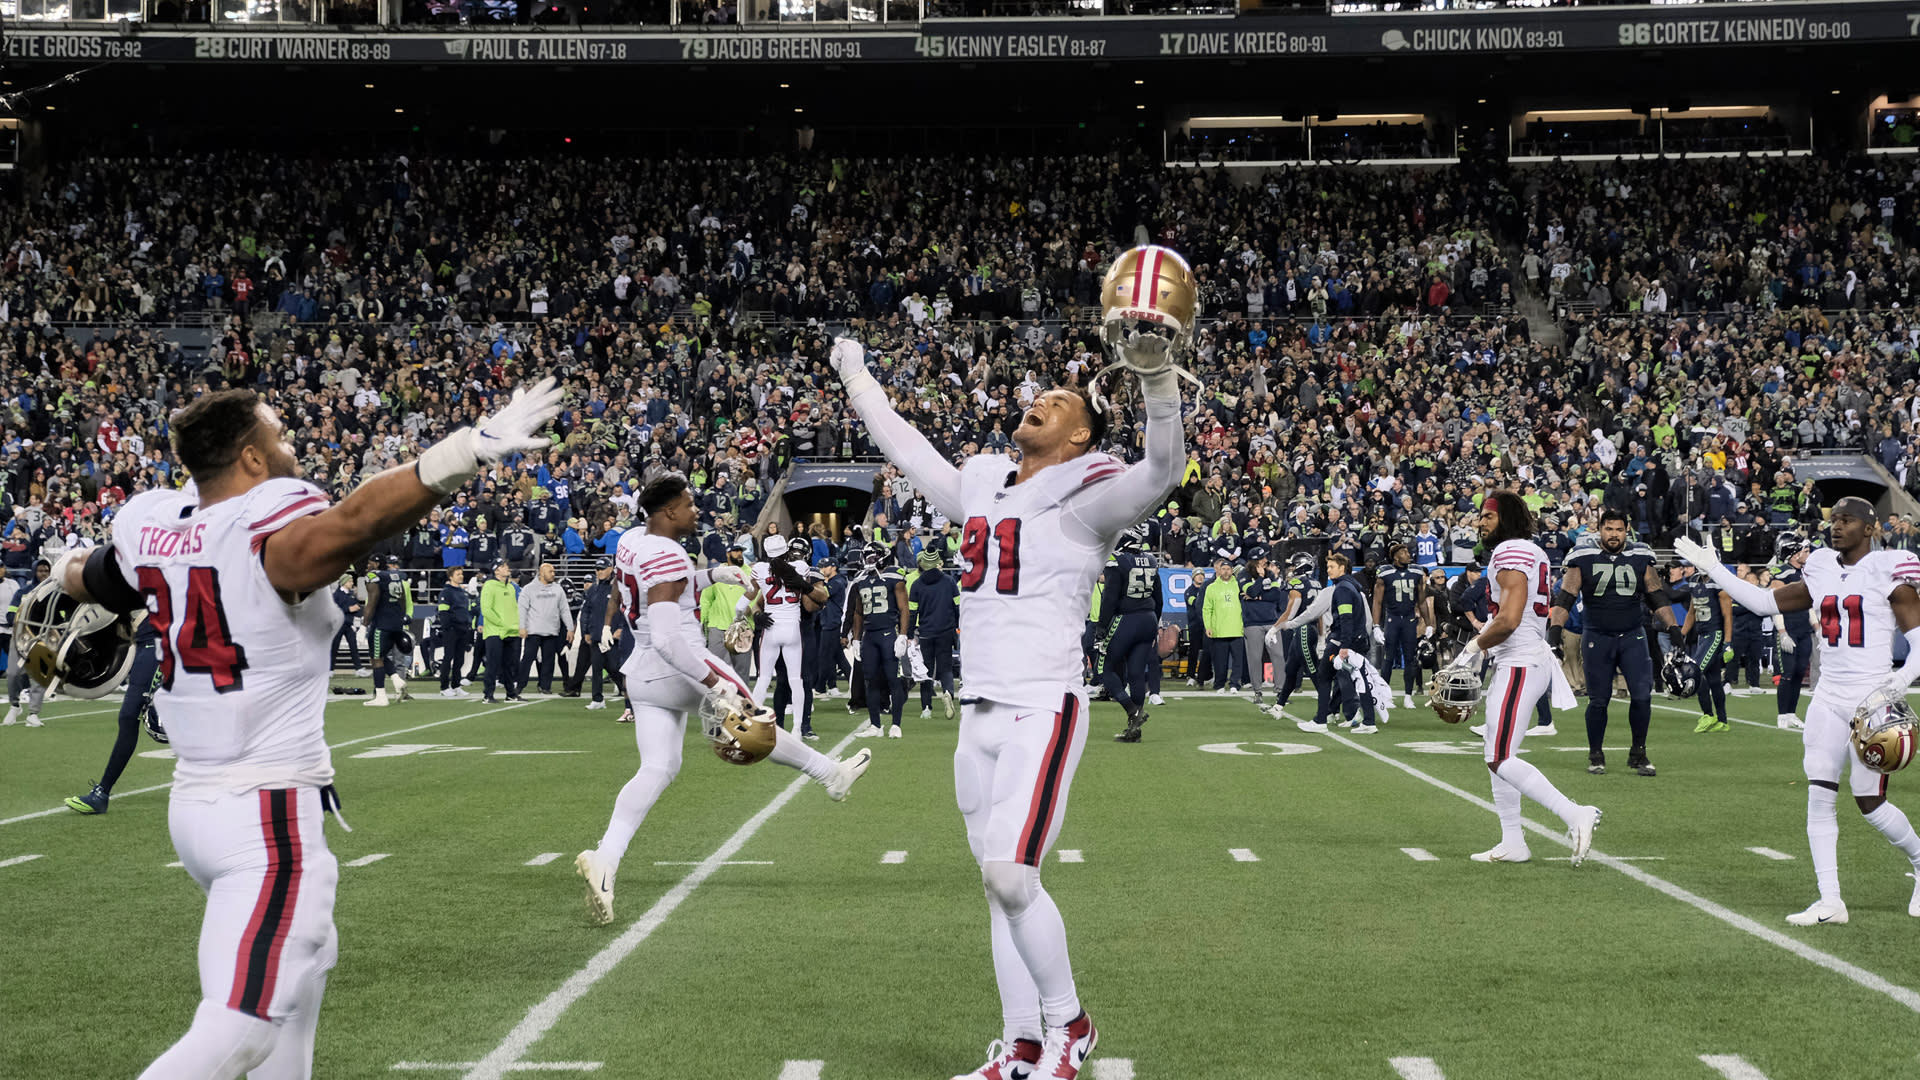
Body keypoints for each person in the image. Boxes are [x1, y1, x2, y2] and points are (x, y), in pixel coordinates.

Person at [44, 378, 560, 1079]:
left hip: (196, 806)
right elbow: (350, 527)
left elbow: (95, 574)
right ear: (251, 459)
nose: (292, 447)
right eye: (279, 436)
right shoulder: (269, 527)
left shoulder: (154, 523)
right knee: (241, 1028)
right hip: (265, 812)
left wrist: (63, 572)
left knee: (306, 966)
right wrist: (464, 451)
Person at [830, 240, 1188, 1080]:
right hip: (979, 708)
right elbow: (908, 449)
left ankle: (1072, 1026)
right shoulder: (988, 479)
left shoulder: (1093, 490)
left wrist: (1158, 377)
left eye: (1058, 401)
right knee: (998, 889)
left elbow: (1164, 467)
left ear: (1080, 437)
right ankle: (1021, 1043)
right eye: (1037, 394)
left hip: (1041, 703)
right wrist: (857, 377)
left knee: (1012, 874)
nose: (1040, 400)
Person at [574, 474, 870, 926]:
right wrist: (716, 685)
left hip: (643, 674)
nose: (696, 511)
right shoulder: (667, 553)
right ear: (668, 512)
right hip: (682, 666)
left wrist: (711, 575)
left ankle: (606, 859)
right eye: (689, 504)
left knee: (658, 768)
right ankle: (830, 774)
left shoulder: (633, 540)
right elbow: (673, 637)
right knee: (756, 723)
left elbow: (661, 591)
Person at [1672, 497, 1920, 926]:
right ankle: (1830, 900)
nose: (1836, 526)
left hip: (1871, 697)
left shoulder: (1889, 569)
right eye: (1834, 519)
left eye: (1847, 520)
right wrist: (1716, 571)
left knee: (1869, 802)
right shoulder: (1821, 564)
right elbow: (1767, 602)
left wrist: (1897, 684)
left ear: (1870, 528)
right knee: (1818, 795)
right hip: (1827, 696)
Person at [1441, 490, 1600, 865]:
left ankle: (1574, 812)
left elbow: (1509, 621)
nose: (1480, 522)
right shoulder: (1533, 552)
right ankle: (1513, 841)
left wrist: (1470, 650)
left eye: (1488, 517)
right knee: (1498, 753)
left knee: (1498, 756)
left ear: (1507, 520)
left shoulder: (1510, 552)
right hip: (1524, 659)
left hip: (1520, 660)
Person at [1550, 509, 1681, 777]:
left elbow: (1657, 596)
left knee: (1643, 697)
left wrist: (1674, 627)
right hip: (1597, 636)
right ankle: (1596, 753)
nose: (1614, 534)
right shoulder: (1583, 557)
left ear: (1627, 530)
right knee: (1599, 700)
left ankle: (1638, 753)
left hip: (1632, 635)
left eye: (1619, 529)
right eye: (1609, 529)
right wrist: (1554, 631)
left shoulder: (1640, 556)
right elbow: (1566, 597)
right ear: (1600, 530)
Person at [65, 614, 167, 813]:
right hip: (139, 642)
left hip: (155, 643)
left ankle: (101, 793)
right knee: (130, 718)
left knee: (130, 716)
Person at [746, 534, 817, 732]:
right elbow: (756, 605)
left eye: (800, 552)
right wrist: (756, 613)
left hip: (783, 629)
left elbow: (815, 602)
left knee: (767, 679)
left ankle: (757, 725)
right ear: (787, 551)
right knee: (793, 681)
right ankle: (794, 728)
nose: (797, 554)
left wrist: (742, 614)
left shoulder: (760, 569)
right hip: (793, 629)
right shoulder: (802, 568)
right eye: (794, 551)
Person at [1099, 524, 1163, 742]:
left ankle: (1132, 711)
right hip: (1149, 619)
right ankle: (1134, 730)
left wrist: (1101, 627)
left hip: (1126, 619)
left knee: (1105, 670)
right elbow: (1159, 598)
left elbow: (1109, 598)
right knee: (1136, 673)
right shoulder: (1152, 560)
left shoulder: (1118, 560)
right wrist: (1155, 627)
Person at [844, 543, 909, 738]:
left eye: (872, 557)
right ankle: (875, 725)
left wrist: (903, 635)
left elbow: (904, 608)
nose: (869, 560)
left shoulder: (894, 577)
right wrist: (856, 639)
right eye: (867, 557)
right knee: (870, 681)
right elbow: (858, 611)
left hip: (888, 633)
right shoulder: (860, 580)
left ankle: (896, 724)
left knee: (893, 680)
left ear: (882, 557)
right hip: (870, 636)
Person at [1270, 551, 1328, 725]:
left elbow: (1290, 613)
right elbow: (1319, 614)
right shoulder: (1316, 583)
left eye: (1294, 566)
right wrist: (1321, 636)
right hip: (1308, 630)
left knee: (1314, 671)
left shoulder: (1297, 583)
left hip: (1302, 629)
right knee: (1290, 670)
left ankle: (1329, 710)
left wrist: (1273, 629)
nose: (1291, 569)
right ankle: (1279, 706)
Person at [1372, 542, 1427, 711]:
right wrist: (1376, 625)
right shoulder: (1385, 573)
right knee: (1388, 658)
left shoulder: (1417, 571)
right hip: (1393, 619)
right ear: (1396, 556)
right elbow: (1377, 601)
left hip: (1409, 619)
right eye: (1404, 552)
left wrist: (1430, 623)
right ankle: (1385, 695)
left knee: (1410, 658)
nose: (1408, 554)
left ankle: (1408, 696)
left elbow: (1422, 600)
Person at [1680, 562, 1734, 734]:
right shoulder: (1695, 580)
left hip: (1715, 634)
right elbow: (1692, 612)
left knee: (1696, 672)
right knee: (1714, 680)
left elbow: (1727, 616)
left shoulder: (1719, 583)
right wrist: (1681, 634)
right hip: (1702, 635)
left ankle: (1708, 715)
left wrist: (1727, 643)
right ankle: (1723, 721)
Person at [909, 547, 960, 722]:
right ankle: (948, 692)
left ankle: (926, 708)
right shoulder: (949, 581)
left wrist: (909, 634)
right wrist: (958, 627)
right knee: (946, 668)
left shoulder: (916, 584)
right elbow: (957, 607)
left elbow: (912, 612)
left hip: (926, 633)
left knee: (926, 671)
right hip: (946, 631)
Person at [1771, 532, 1813, 730]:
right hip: (1788, 628)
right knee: (1787, 673)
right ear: (1794, 553)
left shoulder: (1806, 573)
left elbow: (1810, 604)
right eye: (1804, 550)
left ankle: (1791, 713)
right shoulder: (1781, 572)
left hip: (1804, 628)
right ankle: (1781, 715)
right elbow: (1774, 604)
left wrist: (1817, 628)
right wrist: (1782, 631)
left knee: (1798, 673)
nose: (1808, 553)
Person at [569, 557, 622, 709]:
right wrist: (586, 631)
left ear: (611, 569)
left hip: (613, 636)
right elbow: (586, 612)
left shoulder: (617, 588)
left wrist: (621, 628)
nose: (599, 572)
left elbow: (624, 610)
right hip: (596, 635)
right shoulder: (593, 589)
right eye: (597, 569)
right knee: (596, 668)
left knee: (615, 667)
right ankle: (597, 699)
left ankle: (628, 693)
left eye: (602, 569)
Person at [518, 562, 574, 695]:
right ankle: (520, 685)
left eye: (554, 571)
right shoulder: (529, 589)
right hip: (533, 631)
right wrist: (522, 627)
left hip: (551, 631)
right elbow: (522, 609)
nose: (553, 574)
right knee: (528, 658)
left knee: (549, 661)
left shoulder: (558, 589)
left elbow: (564, 609)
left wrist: (570, 628)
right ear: (541, 573)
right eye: (550, 572)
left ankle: (545, 686)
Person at [363, 552, 410, 707]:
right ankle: (397, 680)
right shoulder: (395, 576)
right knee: (381, 655)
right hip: (395, 622)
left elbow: (372, 601)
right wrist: (400, 618)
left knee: (375, 658)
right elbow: (402, 600)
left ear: (376, 564)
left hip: (381, 623)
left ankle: (381, 696)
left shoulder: (373, 577)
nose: (368, 565)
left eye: (370, 562)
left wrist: (364, 625)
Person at [1239, 553, 1282, 708]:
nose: (1265, 561)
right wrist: (1260, 579)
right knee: (1255, 658)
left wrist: (1258, 597)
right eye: (1262, 559)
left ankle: (1280, 691)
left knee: (1278, 655)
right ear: (1254, 562)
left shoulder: (1270, 574)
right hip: (1252, 623)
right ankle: (1257, 691)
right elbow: (1250, 591)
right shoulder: (1243, 575)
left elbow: (1276, 595)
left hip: (1272, 621)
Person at [479, 562, 524, 703]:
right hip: (495, 632)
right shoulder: (489, 586)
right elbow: (486, 610)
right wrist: (501, 623)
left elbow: (515, 609)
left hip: (511, 631)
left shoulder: (511, 587)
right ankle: (488, 694)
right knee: (493, 664)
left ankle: (511, 694)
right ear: (496, 571)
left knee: (509, 665)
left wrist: (517, 625)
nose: (507, 568)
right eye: (504, 567)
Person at [1202, 556, 1245, 692]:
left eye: (1228, 569)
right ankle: (1219, 684)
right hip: (1219, 630)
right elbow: (1207, 609)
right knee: (1220, 661)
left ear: (1232, 571)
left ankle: (1234, 684)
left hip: (1237, 629)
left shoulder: (1239, 585)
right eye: (1223, 569)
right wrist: (1208, 626)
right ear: (1219, 570)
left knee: (1238, 661)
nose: (1226, 571)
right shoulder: (1211, 587)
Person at [437, 567, 474, 699]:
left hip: (463, 629)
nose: (461, 576)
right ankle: (444, 687)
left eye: (462, 574)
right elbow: (443, 611)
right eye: (458, 574)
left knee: (460, 659)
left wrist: (468, 625)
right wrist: (449, 627)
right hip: (452, 630)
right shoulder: (446, 592)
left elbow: (466, 611)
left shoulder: (463, 593)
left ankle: (456, 685)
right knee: (448, 658)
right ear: (451, 577)